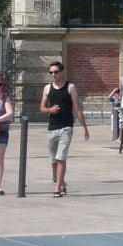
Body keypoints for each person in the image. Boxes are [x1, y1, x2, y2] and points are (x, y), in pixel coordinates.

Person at [40, 60, 88, 197]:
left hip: (66, 127)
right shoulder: (47, 88)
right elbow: (42, 108)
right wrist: (50, 110)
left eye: (56, 72)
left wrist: (84, 127)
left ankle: (57, 188)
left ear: (62, 72)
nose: (53, 74)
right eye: (51, 72)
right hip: (52, 127)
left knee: (61, 157)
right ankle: (62, 183)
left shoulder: (70, 87)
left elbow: (77, 109)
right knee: (53, 160)